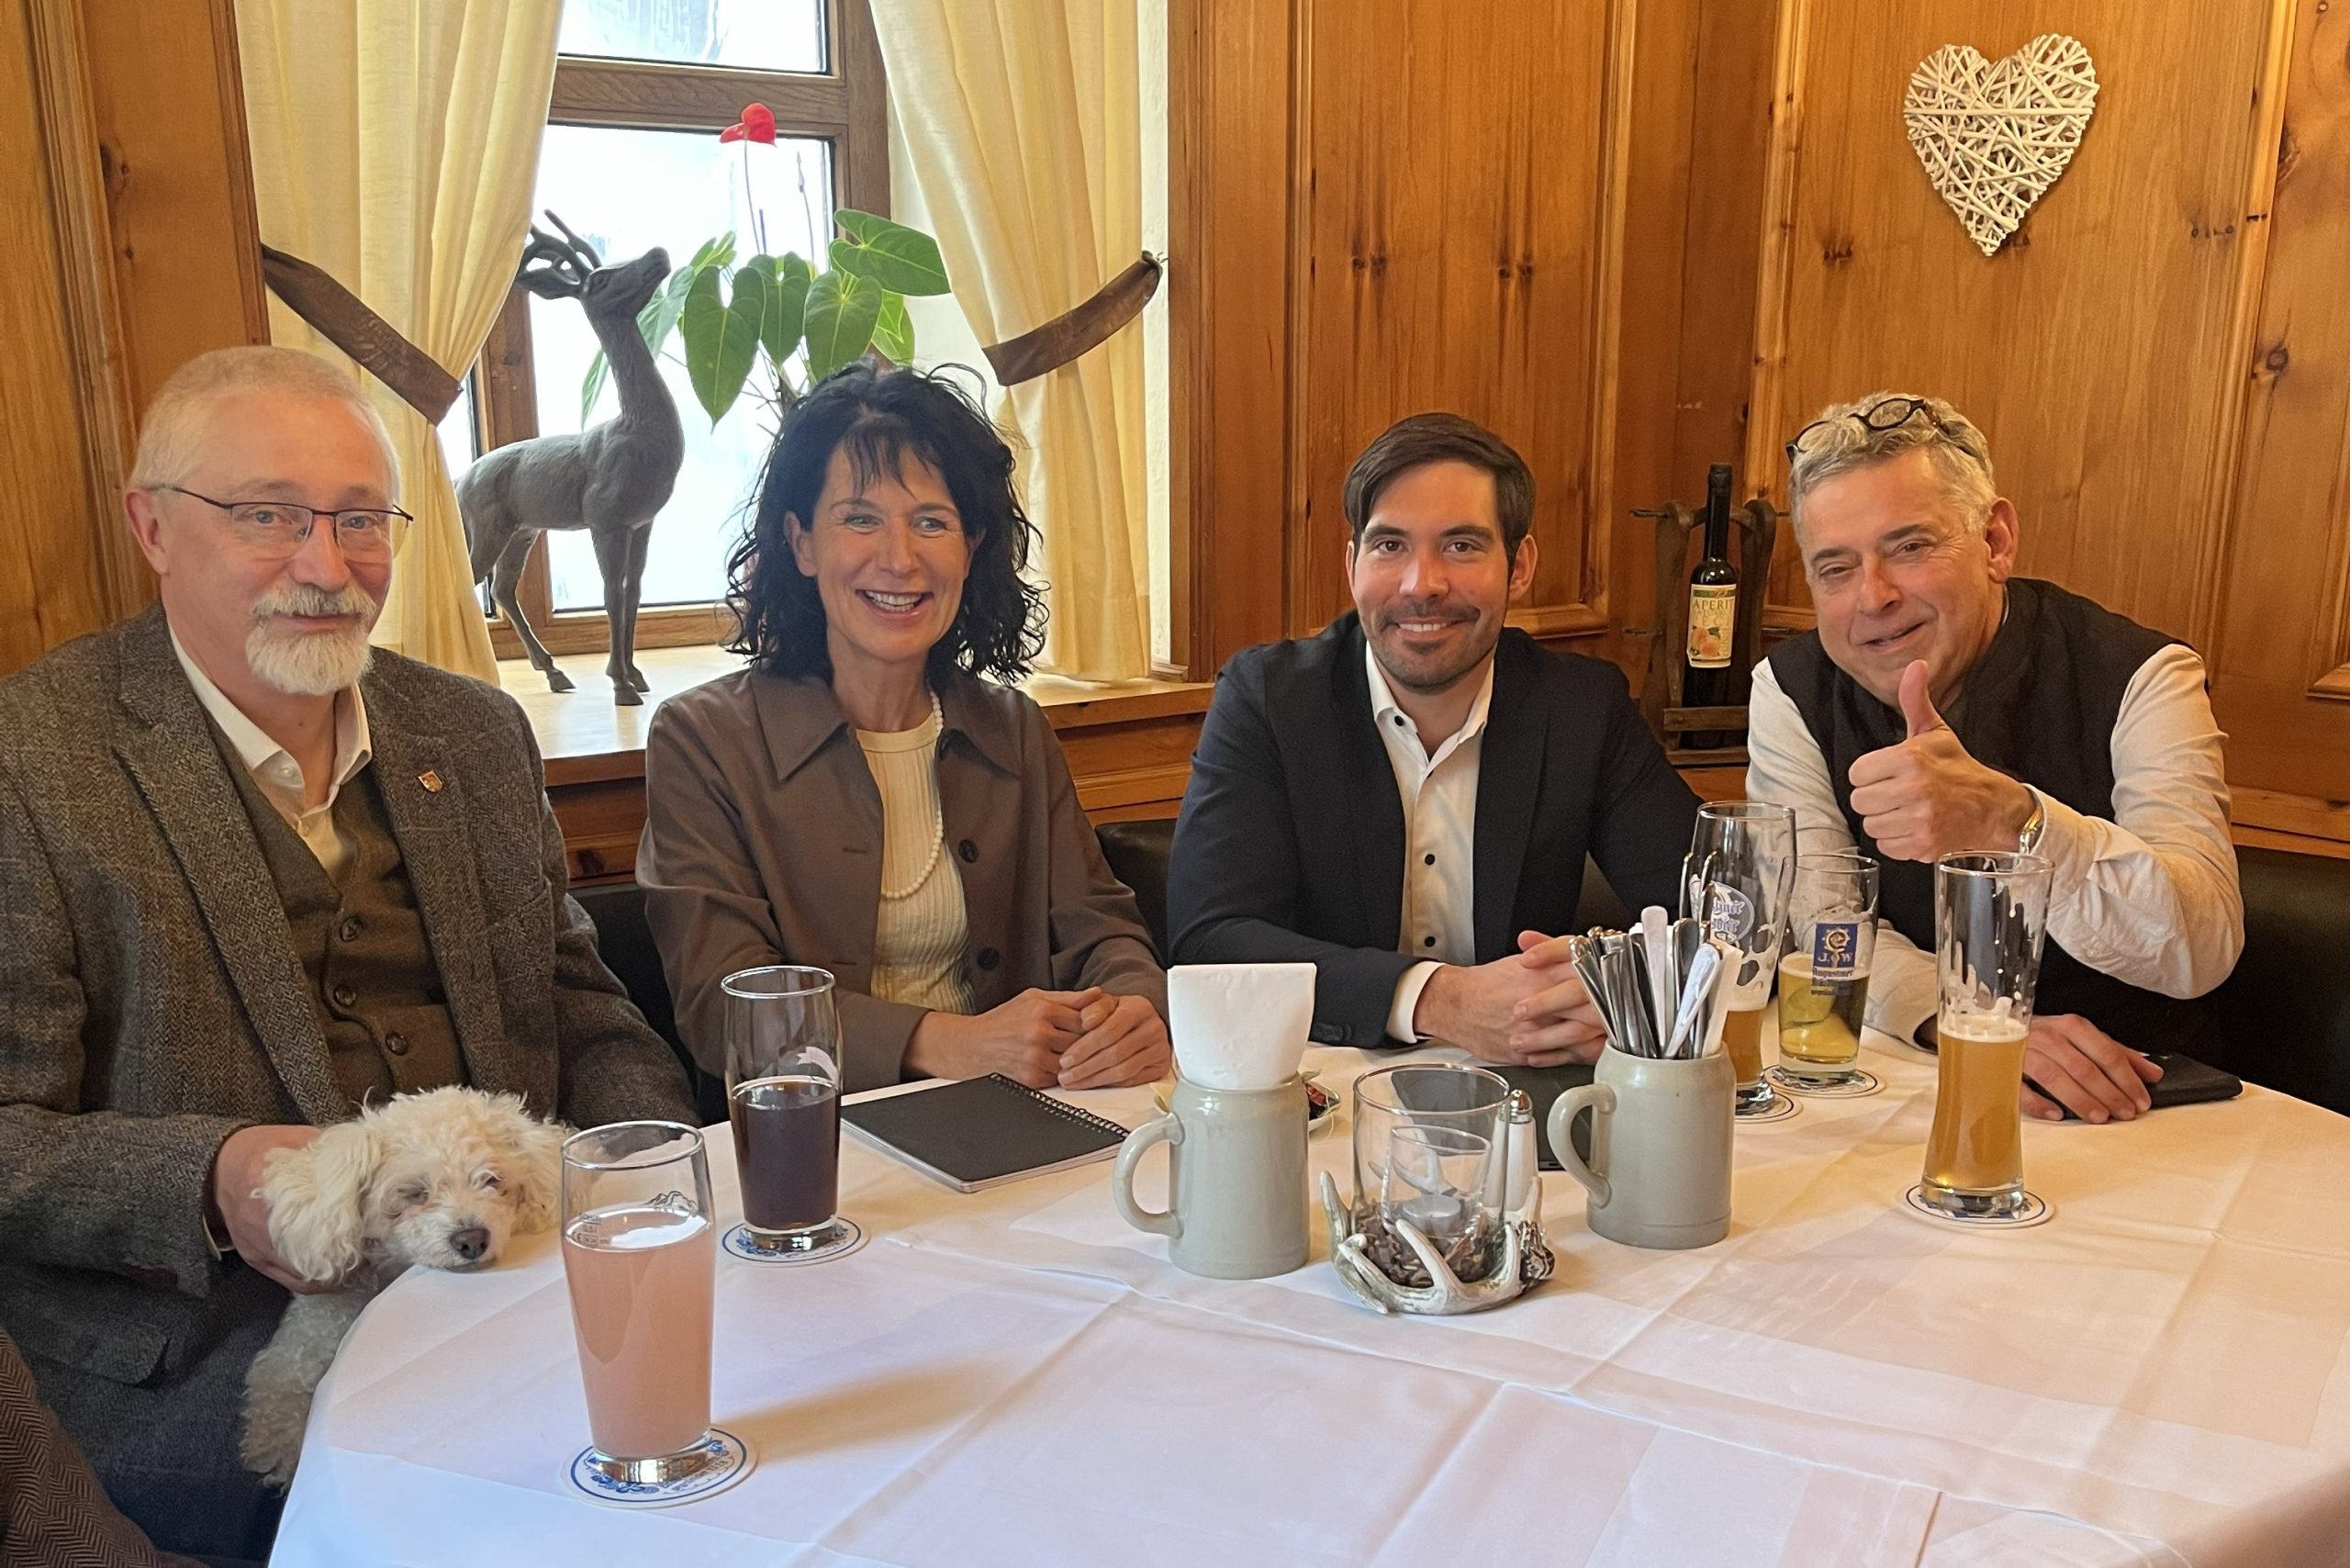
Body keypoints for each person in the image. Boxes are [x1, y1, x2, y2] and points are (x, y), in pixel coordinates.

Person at [0, 346, 698, 1563]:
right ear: (152, 526)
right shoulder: (32, 759)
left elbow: (583, 1009)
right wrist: (213, 1181)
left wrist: (644, 1203)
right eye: (268, 516)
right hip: (209, 1352)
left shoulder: (471, 730)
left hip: (514, 1278)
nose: (326, 567)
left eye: (361, 520)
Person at [639, 364, 1170, 1095]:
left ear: (971, 546)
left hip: (1024, 1117)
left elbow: (1101, 927)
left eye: (931, 521)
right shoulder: (703, 740)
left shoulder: (1011, 727)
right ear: (800, 544)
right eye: (860, 518)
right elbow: (723, 1008)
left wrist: (1137, 1006)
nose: (899, 558)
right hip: (816, 1150)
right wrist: (950, 1043)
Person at [1749, 391, 2243, 1124]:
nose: (1873, 598)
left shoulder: (2143, 674)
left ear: (1996, 541)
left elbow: (2201, 946)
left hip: (2135, 1107)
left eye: (1909, 548)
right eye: (1835, 569)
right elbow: (1821, 931)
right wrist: (1971, 1024)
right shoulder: (1789, 688)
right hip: (1915, 1078)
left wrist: (2012, 821)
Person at [1168, 413, 1701, 1063]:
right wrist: (1436, 999)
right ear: (1352, 563)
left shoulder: (1582, 707)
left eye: (1462, 546)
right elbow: (1209, 939)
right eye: (1389, 546)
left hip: (1522, 1090)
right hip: (1320, 1094)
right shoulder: (1268, 700)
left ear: (1520, 566)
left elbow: (1705, 911)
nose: (1422, 585)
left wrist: (1608, 983)